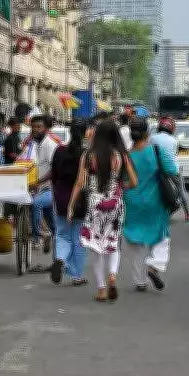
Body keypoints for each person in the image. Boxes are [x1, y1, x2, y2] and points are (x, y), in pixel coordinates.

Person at [68, 120, 137, 302]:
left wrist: (71, 206)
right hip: (115, 203)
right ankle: (112, 275)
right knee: (113, 242)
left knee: (96, 247)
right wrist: (121, 187)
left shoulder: (88, 155)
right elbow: (134, 182)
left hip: (94, 204)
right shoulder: (121, 155)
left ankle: (101, 288)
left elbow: (79, 183)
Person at [124, 118, 179, 292]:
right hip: (155, 201)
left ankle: (140, 281)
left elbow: (121, 179)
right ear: (147, 132)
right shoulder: (156, 150)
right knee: (162, 236)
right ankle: (154, 265)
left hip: (131, 202)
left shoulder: (126, 155)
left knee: (135, 240)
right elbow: (172, 170)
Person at [49, 120, 88, 286]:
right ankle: (77, 276)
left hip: (61, 197)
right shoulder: (86, 153)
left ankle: (60, 259)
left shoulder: (59, 150)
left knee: (62, 234)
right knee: (79, 238)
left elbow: (53, 176)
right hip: (80, 200)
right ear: (85, 133)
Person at [24, 115, 58, 251]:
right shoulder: (35, 144)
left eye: (39, 127)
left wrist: (37, 182)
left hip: (51, 189)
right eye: (33, 127)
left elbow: (55, 170)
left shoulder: (50, 145)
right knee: (52, 222)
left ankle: (38, 237)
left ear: (46, 129)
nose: (35, 129)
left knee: (36, 203)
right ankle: (53, 237)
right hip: (40, 188)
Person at [150, 117, 189, 222]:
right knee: (181, 190)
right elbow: (174, 154)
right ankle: (188, 214)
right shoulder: (174, 140)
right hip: (173, 170)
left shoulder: (152, 138)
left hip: (157, 170)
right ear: (171, 129)